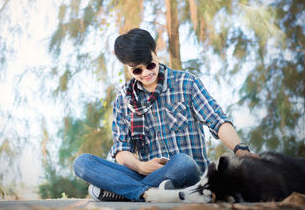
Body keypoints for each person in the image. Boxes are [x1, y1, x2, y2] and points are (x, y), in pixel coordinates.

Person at [73, 28, 254, 202]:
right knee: (83, 163)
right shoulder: (123, 98)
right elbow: (121, 150)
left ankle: (125, 190)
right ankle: (147, 194)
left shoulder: (186, 83)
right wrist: (141, 166)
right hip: (147, 174)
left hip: (186, 174)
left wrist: (240, 149)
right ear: (128, 69)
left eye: (150, 65)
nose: (146, 73)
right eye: (137, 70)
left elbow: (218, 120)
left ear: (155, 52)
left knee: (183, 163)